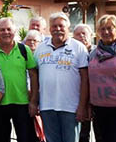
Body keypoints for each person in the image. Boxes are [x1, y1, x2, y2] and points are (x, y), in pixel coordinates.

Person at [34, 12, 89, 142]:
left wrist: (82, 106)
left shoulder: (79, 48)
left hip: (71, 108)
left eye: (61, 26)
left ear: (68, 28)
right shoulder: (40, 49)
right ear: (49, 28)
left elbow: (85, 79)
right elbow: (34, 77)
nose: (57, 29)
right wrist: (34, 101)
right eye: (54, 26)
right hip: (47, 107)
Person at [0, 18, 39, 142]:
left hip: (21, 103)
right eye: (2, 30)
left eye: (9, 29)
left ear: (14, 31)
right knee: (0, 139)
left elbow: (33, 76)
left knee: (26, 138)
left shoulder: (24, 50)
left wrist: (33, 102)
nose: (6, 32)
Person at [88, 15, 116, 142]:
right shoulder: (93, 53)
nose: (106, 32)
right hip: (99, 108)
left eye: (109, 28)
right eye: (102, 29)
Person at [72, 24, 101, 142]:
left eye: (84, 33)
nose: (81, 36)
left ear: (91, 35)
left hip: (98, 99)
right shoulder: (72, 53)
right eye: (78, 34)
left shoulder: (98, 52)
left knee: (100, 134)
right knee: (82, 135)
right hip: (78, 99)